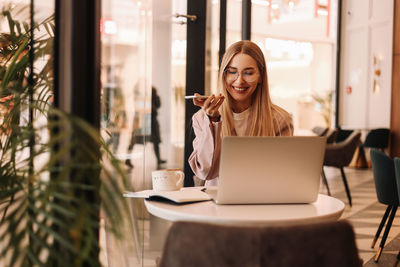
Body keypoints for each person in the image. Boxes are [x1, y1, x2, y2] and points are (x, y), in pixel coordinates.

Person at [188, 40, 293, 186]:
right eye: (232, 72)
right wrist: (212, 122)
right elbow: (206, 171)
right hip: (216, 205)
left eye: (248, 73)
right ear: (224, 75)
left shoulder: (279, 119)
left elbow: (283, 175)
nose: (239, 81)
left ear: (261, 77)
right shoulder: (201, 118)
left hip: (262, 203)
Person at [125, 86, 166, 169]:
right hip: (142, 121)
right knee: (133, 141)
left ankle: (158, 159)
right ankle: (127, 159)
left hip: (151, 122)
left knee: (155, 142)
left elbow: (157, 106)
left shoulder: (153, 98)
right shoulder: (141, 98)